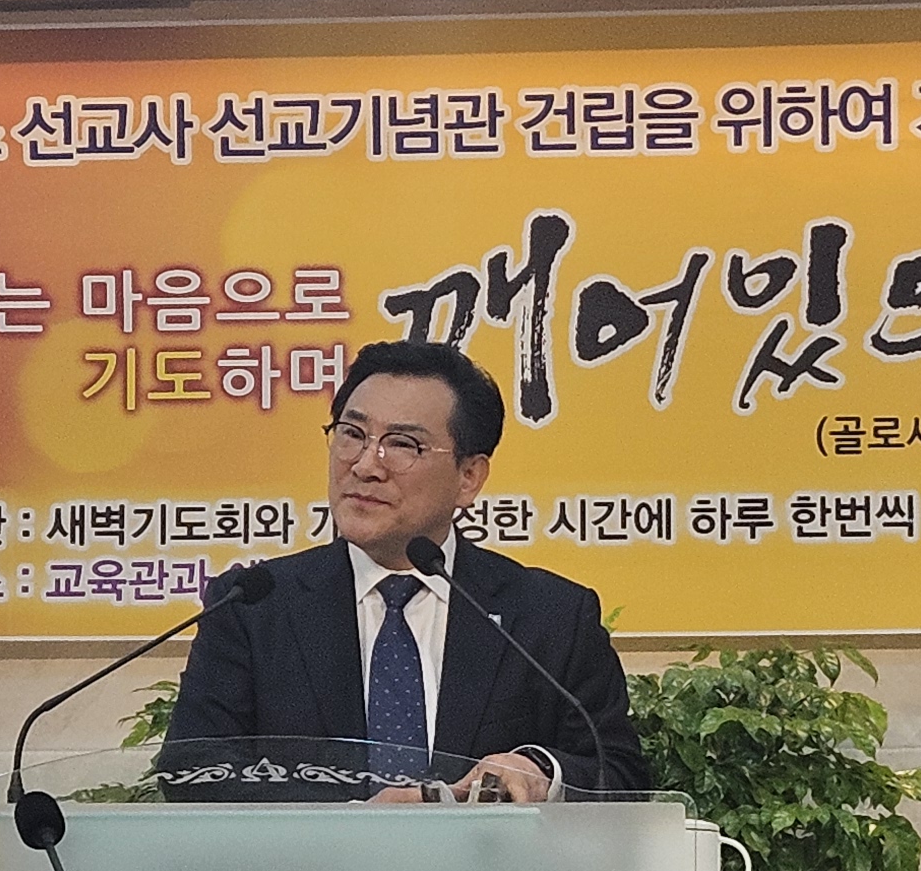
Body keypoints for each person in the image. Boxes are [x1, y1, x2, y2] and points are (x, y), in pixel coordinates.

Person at [163, 338, 645, 799]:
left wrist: (539, 770)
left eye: (403, 444)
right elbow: (193, 770)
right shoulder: (253, 606)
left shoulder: (551, 616)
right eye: (352, 435)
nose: (365, 466)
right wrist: (353, 820)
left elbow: (621, 775)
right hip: (313, 860)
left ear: (469, 477)